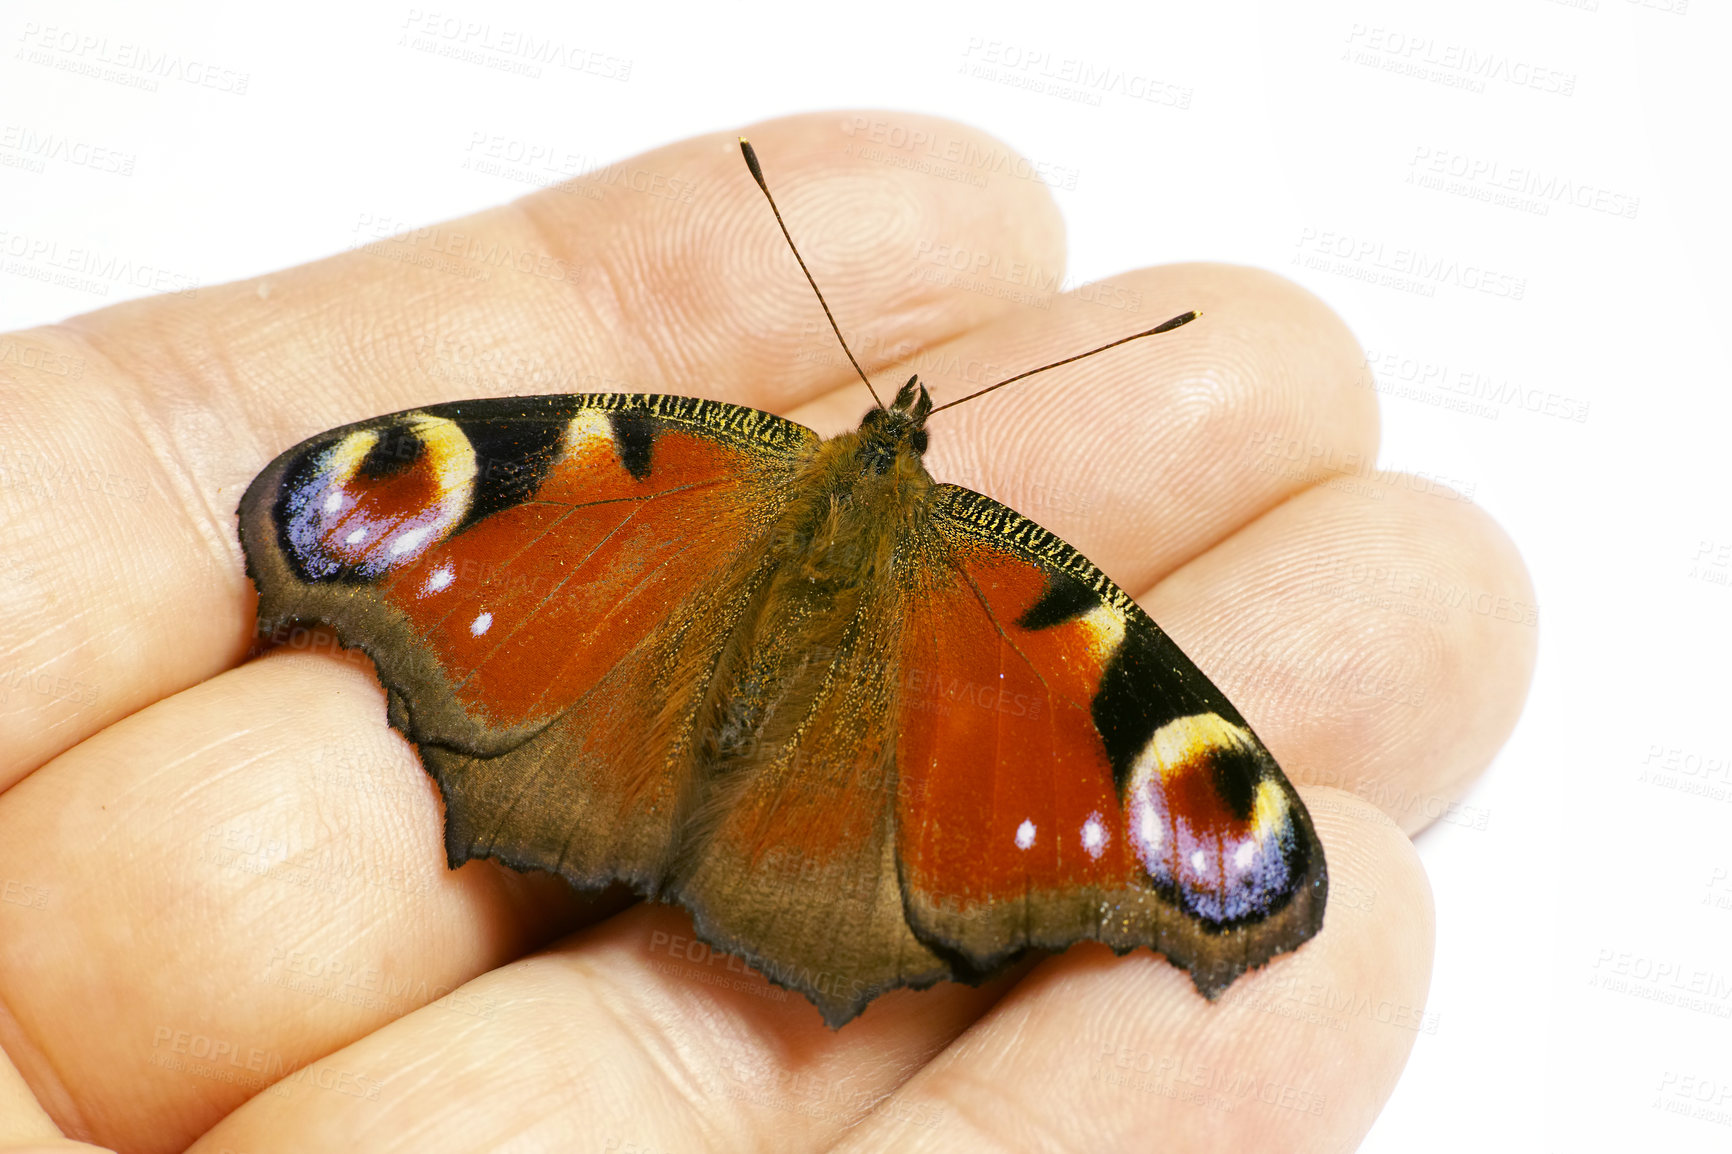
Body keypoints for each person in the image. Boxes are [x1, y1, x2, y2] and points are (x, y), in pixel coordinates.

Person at [0, 113, 1533, 1153]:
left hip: (609, 746)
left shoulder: (675, 462)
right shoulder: (1031, 608)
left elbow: (1198, 808)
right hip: (757, 820)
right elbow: (388, 498)